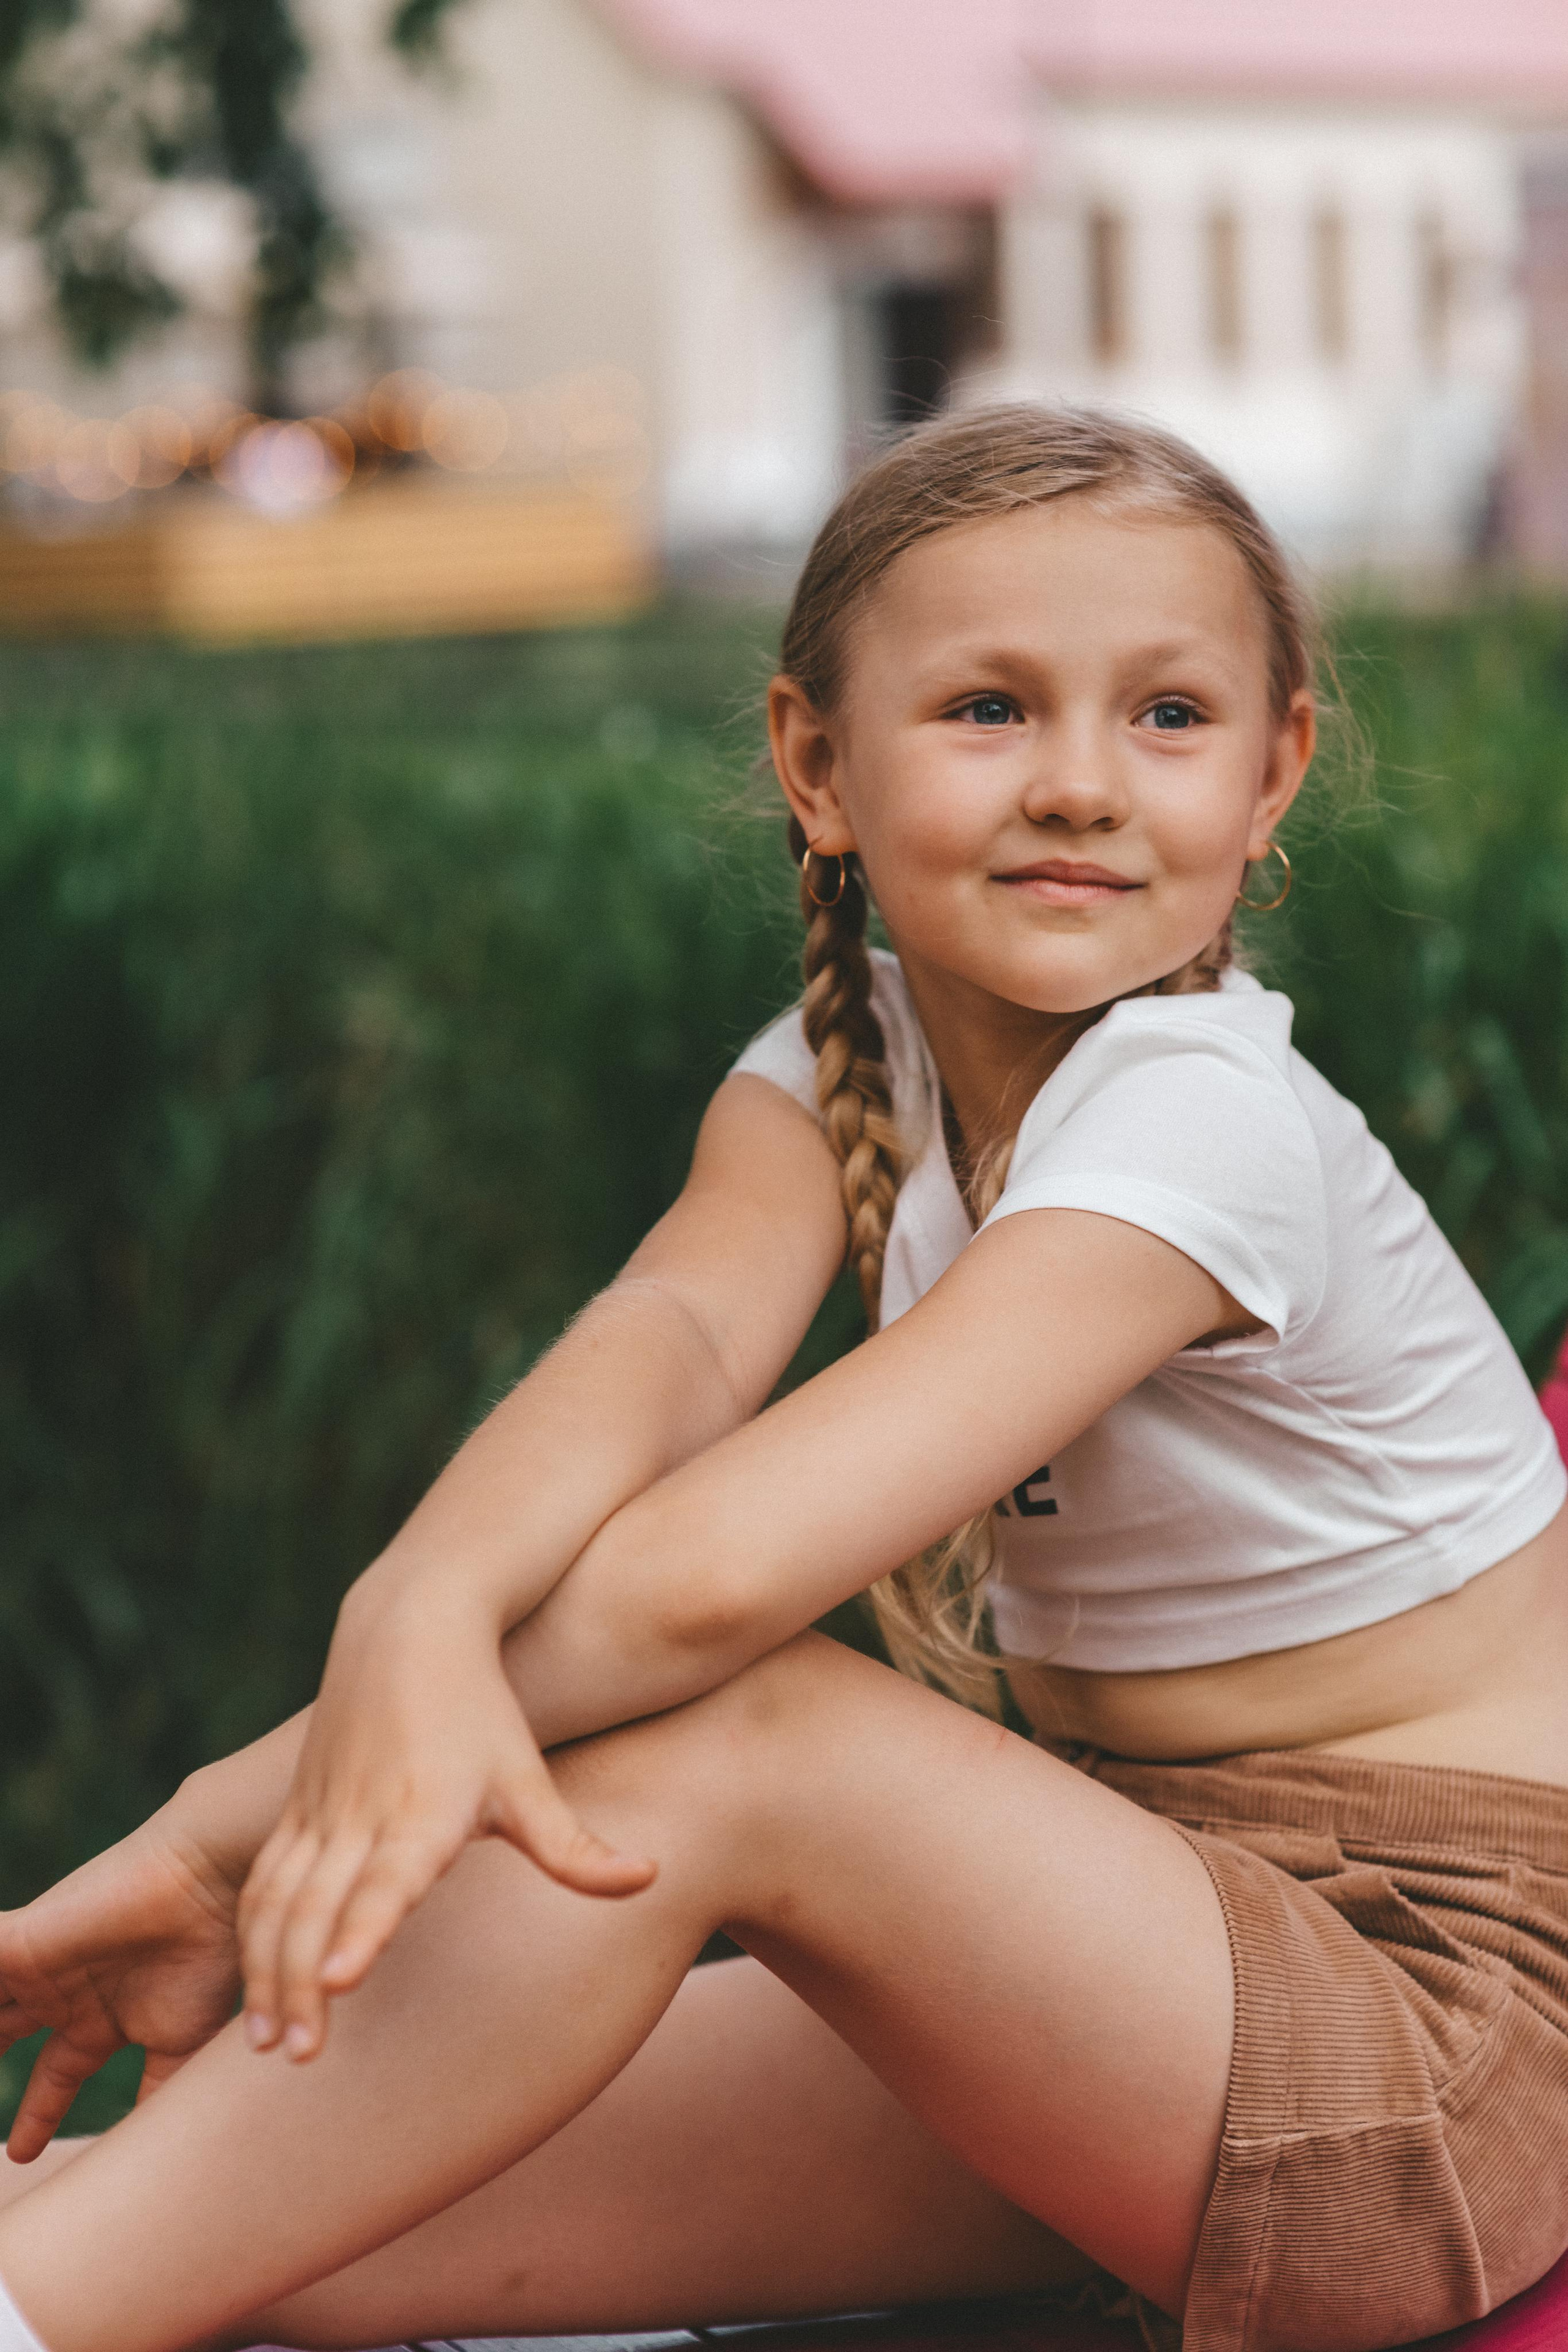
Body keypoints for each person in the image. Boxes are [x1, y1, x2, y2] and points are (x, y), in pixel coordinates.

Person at [0, 407, 1565, 2352]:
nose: (1081, 783)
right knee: (299, 2235)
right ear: (816, 763)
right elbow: (663, 1350)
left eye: (1167, 717)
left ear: (1275, 773)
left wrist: (234, 1832)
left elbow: (708, 1588)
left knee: (738, 1735)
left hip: (1431, 2028)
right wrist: (406, 1610)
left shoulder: (1205, 1119)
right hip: (1136, 1928)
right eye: (989, 709)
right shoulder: (857, 1053)